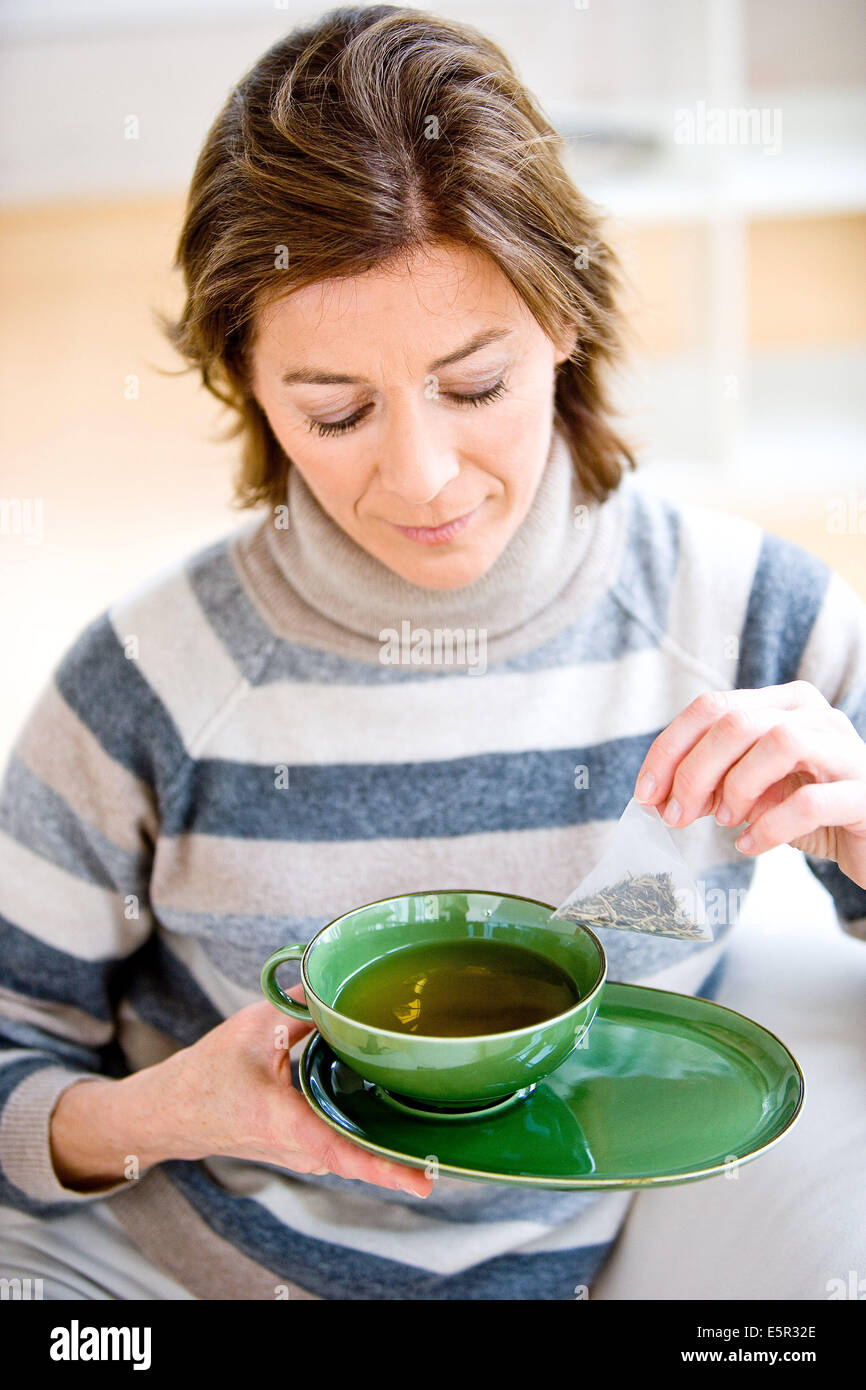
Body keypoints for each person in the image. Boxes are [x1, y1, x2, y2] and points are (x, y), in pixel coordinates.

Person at [1, 4, 865, 1302]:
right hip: (154, 1277)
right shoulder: (145, 685)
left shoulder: (755, 624)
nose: (421, 476)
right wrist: (154, 1113)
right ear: (243, 382)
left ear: (564, 321)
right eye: (334, 410)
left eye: (474, 386)